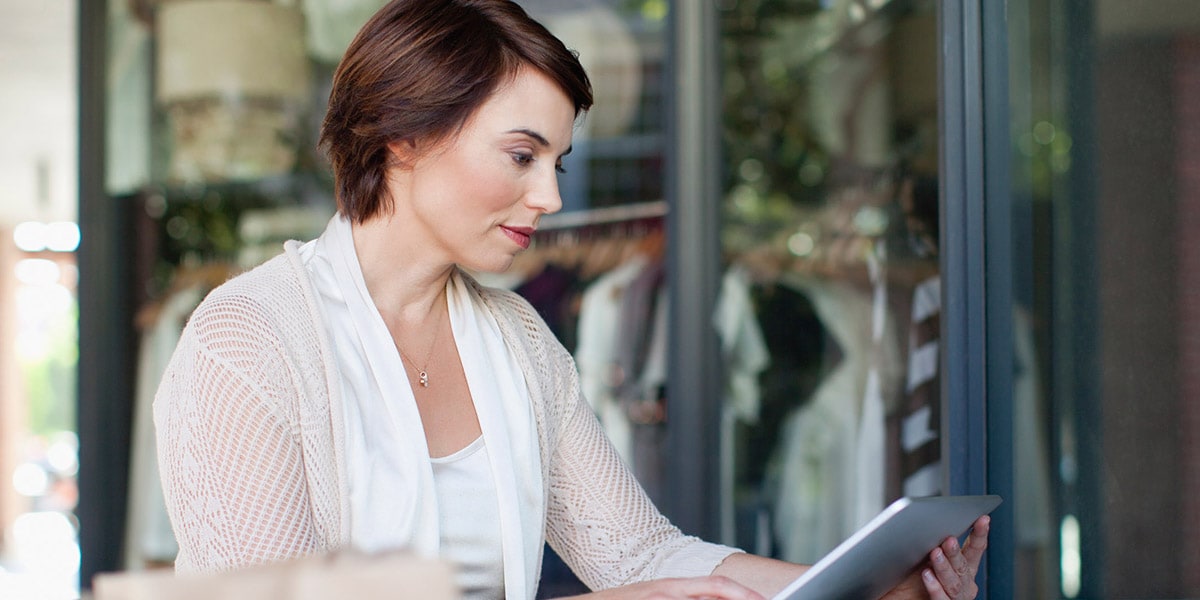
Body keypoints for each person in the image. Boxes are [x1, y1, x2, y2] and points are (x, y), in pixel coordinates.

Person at [152, 1, 990, 598]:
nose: (550, 196)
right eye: (522, 155)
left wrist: (865, 588)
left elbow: (641, 553)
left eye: (557, 162)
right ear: (401, 136)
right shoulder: (247, 341)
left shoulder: (515, 338)